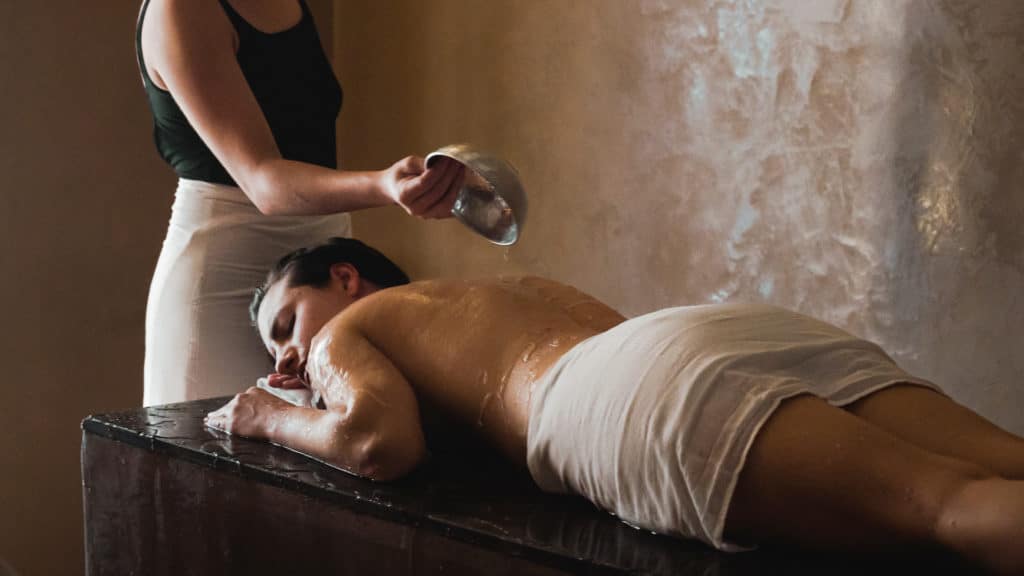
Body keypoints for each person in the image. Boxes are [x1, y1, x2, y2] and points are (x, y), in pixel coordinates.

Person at [206, 238, 1024, 575]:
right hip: (706, 333)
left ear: (345, 278)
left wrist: (268, 416)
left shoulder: (344, 330)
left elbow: (377, 444)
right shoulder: (497, 287)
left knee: (948, 508)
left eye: (285, 324)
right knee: (997, 467)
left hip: (612, 388)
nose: (286, 357)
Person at [136, 0, 464, 405]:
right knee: (217, 441)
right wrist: (384, 185)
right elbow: (262, 179)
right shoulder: (181, 9)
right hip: (224, 276)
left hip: (321, 261)